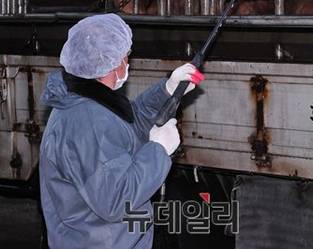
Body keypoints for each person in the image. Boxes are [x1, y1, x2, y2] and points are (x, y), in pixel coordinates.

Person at [39, 13, 205, 249]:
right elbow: (117, 199)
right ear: (112, 64)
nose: (128, 63)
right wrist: (157, 151)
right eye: (126, 57)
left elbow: (125, 129)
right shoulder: (86, 123)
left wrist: (167, 91)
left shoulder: (86, 103)